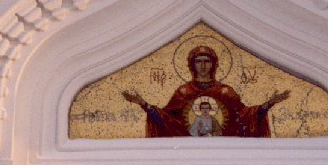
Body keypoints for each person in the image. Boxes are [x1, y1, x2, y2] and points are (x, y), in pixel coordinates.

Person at [123, 46, 290, 137]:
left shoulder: (226, 92)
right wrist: (143, 104)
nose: (203, 66)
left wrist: (269, 103)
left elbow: (246, 117)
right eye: (198, 62)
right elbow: (167, 120)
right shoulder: (183, 92)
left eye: (207, 61)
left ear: (214, 65)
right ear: (192, 65)